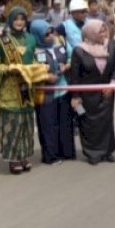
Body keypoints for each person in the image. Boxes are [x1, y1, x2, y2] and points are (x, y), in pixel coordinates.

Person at [0, 1, 48, 174]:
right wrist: (8, 68)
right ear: (10, 20)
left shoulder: (30, 39)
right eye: (16, 19)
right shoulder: (1, 41)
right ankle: (13, 158)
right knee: (12, 123)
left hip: (26, 88)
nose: (20, 22)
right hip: (9, 88)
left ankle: (24, 155)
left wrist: (40, 69)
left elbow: (34, 60)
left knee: (26, 123)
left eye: (22, 19)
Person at [69, 20, 115, 165]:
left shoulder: (109, 46)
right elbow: (75, 76)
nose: (104, 34)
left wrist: (112, 85)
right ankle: (92, 153)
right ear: (90, 34)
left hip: (107, 93)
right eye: (100, 32)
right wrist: (76, 96)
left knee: (106, 122)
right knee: (88, 123)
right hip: (87, 95)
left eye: (105, 31)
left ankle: (107, 151)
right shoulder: (79, 50)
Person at [30, 19, 75, 165]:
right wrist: (45, 76)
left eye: (51, 31)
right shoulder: (33, 50)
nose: (50, 36)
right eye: (46, 34)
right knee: (48, 125)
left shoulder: (60, 41)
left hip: (63, 90)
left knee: (65, 122)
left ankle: (66, 152)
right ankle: (51, 156)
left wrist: (66, 66)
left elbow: (71, 56)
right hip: (45, 93)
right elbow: (31, 70)